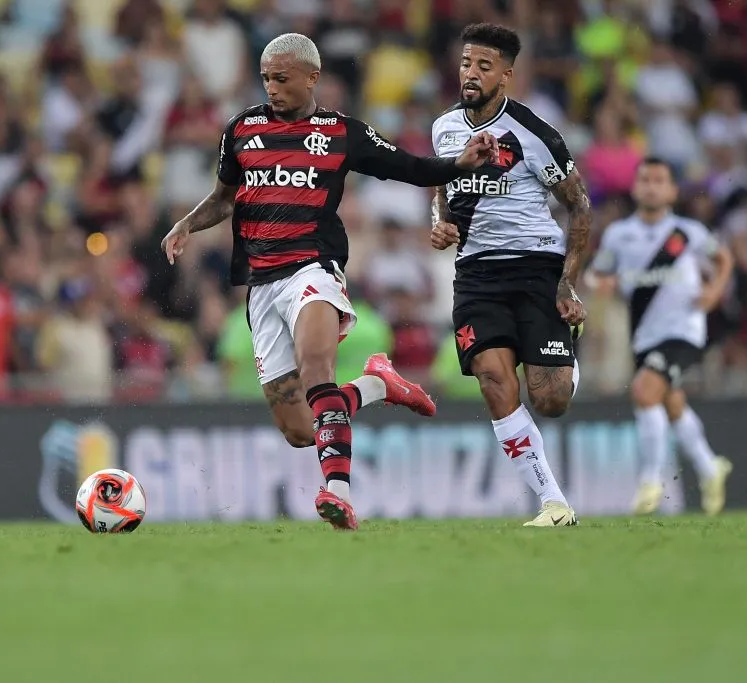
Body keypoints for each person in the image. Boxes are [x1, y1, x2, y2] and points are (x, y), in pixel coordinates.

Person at [161, 33, 496, 531]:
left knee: (316, 364)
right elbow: (223, 196)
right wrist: (188, 222)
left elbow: (409, 167)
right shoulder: (242, 129)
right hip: (261, 285)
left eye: (281, 78)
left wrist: (458, 164)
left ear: (312, 77)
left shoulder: (342, 133)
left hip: (312, 270)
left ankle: (337, 492)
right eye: (266, 78)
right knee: (299, 430)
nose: (271, 88)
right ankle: (377, 384)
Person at [430, 24, 592, 528]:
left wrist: (566, 282)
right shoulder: (444, 128)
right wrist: (440, 223)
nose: (471, 73)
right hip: (476, 275)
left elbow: (579, 207)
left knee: (551, 399)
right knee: (495, 381)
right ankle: (554, 502)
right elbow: (441, 186)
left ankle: (566, 349)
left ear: (506, 74)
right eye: (465, 63)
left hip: (535, 267)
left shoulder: (535, 133)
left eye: (483, 65)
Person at [589, 158, 735, 515]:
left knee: (644, 390)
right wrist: (601, 284)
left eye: (659, 181)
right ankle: (709, 466)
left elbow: (724, 259)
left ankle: (650, 481)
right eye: (645, 180)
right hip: (644, 335)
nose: (651, 186)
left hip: (684, 330)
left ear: (671, 190)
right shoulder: (618, 234)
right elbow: (597, 274)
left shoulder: (688, 232)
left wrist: (715, 291)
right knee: (670, 403)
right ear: (636, 187)